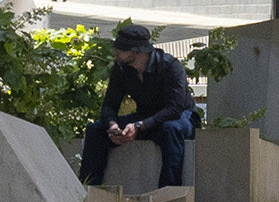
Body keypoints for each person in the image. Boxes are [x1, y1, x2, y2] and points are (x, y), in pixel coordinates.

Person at [79, 23, 202, 190]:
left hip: (179, 117)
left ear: (136, 51)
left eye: (121, 49)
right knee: (95, 130)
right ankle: (88, 190)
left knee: (170, 130)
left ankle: (170, 194)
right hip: (144, 117)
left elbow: (175, 108)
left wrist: (140, 125)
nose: (115, 52)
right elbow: (109, 104)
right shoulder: (121, 68)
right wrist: (113, 126)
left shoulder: (170, 66)